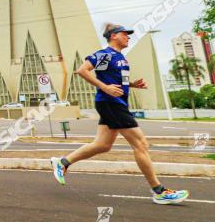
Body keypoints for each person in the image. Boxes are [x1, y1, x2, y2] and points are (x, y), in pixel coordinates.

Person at [50, 24, 189, 205]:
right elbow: (82, 70)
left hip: (115, 103)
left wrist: (131, 85)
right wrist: (105, 87)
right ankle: (159, 191)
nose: (129, 37)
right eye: (125, 34)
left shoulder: (120, 57)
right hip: (111, 103)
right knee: (141, 144)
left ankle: (63, 162)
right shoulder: (105, 54)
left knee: (102, 145)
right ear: (114, 36)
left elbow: (115, 80)